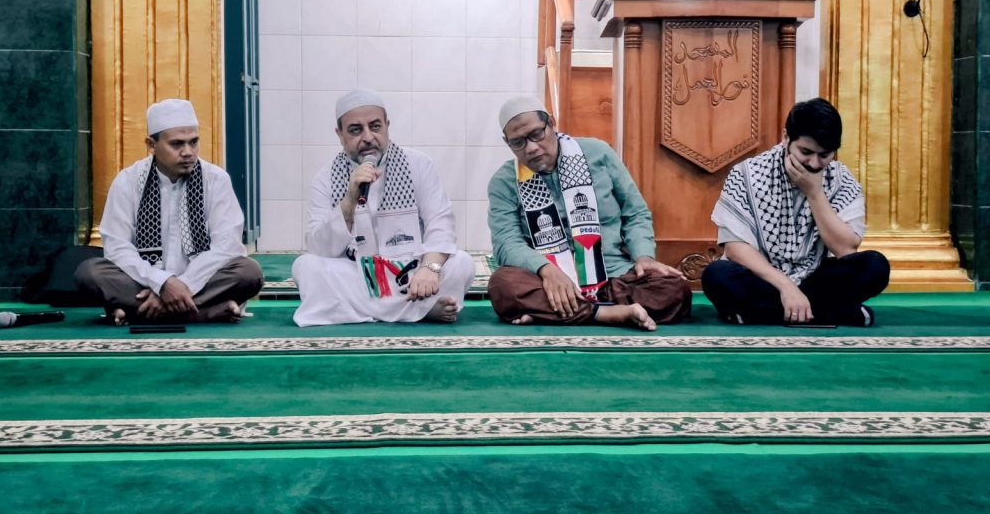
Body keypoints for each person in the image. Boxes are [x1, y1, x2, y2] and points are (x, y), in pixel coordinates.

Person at [487, 95, 691, 331]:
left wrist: (644, 257)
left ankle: (552, 312)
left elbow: (634, 213)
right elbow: (506, 243)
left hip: (613, 274)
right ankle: (608, 314)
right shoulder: (504, 182)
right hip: (547, 281)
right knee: (503, 286)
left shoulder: (598, 153)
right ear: (507, 142)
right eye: (518, 142)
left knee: (675, 289)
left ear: (551, 123)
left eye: (536, 134)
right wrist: (547, 270)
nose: (531, 147)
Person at [701, 97, 890, 326]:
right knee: (716, 275)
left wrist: (815, 193)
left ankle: (759, 314)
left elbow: (846, 249)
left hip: (815, 281)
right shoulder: (747, 174)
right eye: (806, 152)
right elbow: (735, 248)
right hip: (763, 279)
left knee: (875, 266)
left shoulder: (842, 180)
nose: (814, 163)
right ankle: (834, 313)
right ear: (786, 138)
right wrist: (786, 286)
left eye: (824, 155)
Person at [292, 89, 474, 326]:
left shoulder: (418, 164)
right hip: (356, 271)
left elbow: (440, 223)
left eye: (375, 126)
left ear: (387, 125)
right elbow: (320, 249)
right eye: (356, 130)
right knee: (305, 267)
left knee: (462, 263)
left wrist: (430, 268)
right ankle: (419, 309)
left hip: (411, 270)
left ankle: (368, 311)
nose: (368, 137)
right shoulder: (324, 179)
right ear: (339, 134)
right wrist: (349, 200)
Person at [75, 99, 263, 324]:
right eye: (177, 144)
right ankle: (205, 313)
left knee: (248, 272)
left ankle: (139, 312)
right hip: (142, 282)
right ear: (151, 145)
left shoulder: (215, 180)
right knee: (89, 273)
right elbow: (117, 249)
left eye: (193, 142)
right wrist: (162, 283)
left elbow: (226, 247)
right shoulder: (128, 181)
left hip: (200, 282)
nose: (188, 152)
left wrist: (183, 285)